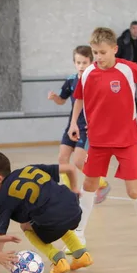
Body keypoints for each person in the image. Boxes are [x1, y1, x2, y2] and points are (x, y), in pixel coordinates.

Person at [69, 27, 137, 249]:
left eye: (102, 52)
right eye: (95, 53)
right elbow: (79, 98)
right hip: (98, 140)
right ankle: (79, 232)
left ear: (114, 49)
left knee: (133, 191)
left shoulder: (128, 69)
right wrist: (73, 122)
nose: (98, 57)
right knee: (89, 185)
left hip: (126, 139)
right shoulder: (88, 72)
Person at [0, 151, 93, 273]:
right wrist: (75, 189)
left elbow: (0, 236)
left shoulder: (1, 200)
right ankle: (81, 254)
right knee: (53, 215)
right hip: (74, 210)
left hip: (53, 221)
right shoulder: (29, 168)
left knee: (25, 225)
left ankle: (57, 259)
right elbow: (70, 168)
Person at [48, 45, 111, 204]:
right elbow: (62, 100)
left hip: (88, 127)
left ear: (92, 62)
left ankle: (102, 184)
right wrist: (55, 98)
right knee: (62, 158)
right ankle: (70, 194)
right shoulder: (71, 80)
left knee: (79, 161)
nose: (81, 66)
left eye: (84, 62)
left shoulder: (97, 80)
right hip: (73, 125)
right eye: (78, 62)